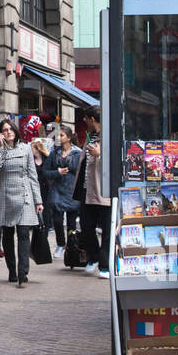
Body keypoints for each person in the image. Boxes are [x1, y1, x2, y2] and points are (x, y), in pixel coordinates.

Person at [0, 118, 43, 287]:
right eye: (4, 130)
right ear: (0, 134)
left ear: (16, 131)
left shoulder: (25, 149)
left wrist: (38, 200)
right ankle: (11, 269)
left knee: (24, 233)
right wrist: (2, 149)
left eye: (10, 129)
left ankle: (22, 271)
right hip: (5, 196)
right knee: (8, 235)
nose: (8, 132)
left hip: (24, 195)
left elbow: (33, 176)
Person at [78, 106, 111, 278]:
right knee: (86, 226)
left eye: (85, 118)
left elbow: (117, 161)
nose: (84, 121)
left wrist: (100, 155)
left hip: (104, 190)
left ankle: (104, 265)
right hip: (87, 189)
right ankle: (95, 256)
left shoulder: (109, 136)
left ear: (92, 119)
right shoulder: (90, 137)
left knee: (106, 228)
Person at [46, 125, 83, 258]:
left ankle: (71, 245)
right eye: (58, 135)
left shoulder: (78, 153)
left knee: (71, 222)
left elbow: (82, 172)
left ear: (68, 137)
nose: (58, 138)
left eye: (61, 135)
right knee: (57, 219)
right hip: (58, 189)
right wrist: (57, 172)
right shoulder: (54, 153)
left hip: (72, 190)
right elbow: (46, 172)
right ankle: (60, 244)